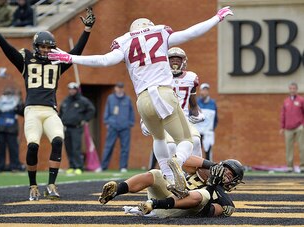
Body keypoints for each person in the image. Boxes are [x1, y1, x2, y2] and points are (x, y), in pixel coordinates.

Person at [48, 6, 233, 189]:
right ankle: (177, 162)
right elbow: (190, 33)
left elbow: (104, 60)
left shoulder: (125, 41)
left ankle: (169, 179)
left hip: (143, 100)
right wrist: (216, 18)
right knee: (186, 140)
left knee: (159, 139)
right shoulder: (159, 33)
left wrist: (71, 58)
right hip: (163, 93)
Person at [0, 7, 95, 200]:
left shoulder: (58, 62)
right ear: (36, 46)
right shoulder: (25, 59)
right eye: (42, 46)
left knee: (58, 140)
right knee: (33, 145)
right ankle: (33, 185)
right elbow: (7, 49)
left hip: (50, 111)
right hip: (32, 110)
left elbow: (76, 53)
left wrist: (87, 30)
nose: (45, 50)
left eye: (49, 47)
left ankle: (51, 185)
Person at [98, 156, 244, 218]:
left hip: (176, 210)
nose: (225, 175)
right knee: (156, 174)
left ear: (233, 182)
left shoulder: (225, 201)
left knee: (203, 195)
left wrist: (211, 186)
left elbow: (206, 212)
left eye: (230, 176)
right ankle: (116, 190)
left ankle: (153, 204)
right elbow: (184, 159)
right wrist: (211, 166)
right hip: (163, 200)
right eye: (224, 170)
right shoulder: (201, 172)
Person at [146, 47, 204, 169]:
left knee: (196, 141)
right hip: (164, 120)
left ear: (184, 61)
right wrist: (144, 121)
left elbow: (193, 104)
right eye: (172, 59)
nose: (175, 62)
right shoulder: (158, 77)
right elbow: (148, 101)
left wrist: (198, 114)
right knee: (171, 146)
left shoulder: (191, 78)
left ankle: (197, 172)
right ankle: (172, 174)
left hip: (183, 119)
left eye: (178, 59)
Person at [59, 82, 95, 175]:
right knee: (68, 148)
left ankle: (79, 167)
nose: (71, 91)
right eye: (70, 89)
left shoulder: (82, 101)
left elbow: (91, 110)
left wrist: (85, 119)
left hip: (76, 127)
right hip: (66, 128)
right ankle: (72, 166)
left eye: (73, 89)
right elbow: (61, 113)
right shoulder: (66, 100)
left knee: (76, 148)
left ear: (76, 90)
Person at [98, 82, 135, 172]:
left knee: (125, 148)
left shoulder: (127, 99)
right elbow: (107, 110)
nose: (119, 89)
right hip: (113, 126)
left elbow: (131, 112)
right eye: (118, 88)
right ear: (115, 88)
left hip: (125, 127)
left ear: (123, 88)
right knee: (108, 146)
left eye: (121, 88)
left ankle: (123, 167)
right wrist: (107, 121)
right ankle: (103, 166)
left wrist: (130, 123)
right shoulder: (110, 98)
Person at [0, 86, 25, 172]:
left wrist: (20, 100)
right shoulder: (0, 102)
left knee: (13, 148)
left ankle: (15, 166)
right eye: (6, 93)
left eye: (9, 94)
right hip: (0, 128)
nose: (7, 95)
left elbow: (22, 112)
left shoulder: (15, 102)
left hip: (12, 128)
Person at [280, 82, 304, 173]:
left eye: (294, 88)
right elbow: (283, 114)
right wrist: (282, 127)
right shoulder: (286, 101)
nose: (292, 90)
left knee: (302, 147)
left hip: (299, 127)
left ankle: (302, 166)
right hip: (288, 128)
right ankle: (290, 167)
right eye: (291, 88)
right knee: (289, 148)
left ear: (296, 90)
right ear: (289, 90)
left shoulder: (301, 100)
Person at [196, 83, 218, 161]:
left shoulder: (212, 103)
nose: (204, 92)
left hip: (208, 132)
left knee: (208, 152)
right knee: (196, 151)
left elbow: (215, 119)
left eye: (206, 90)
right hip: (197, 131)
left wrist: (210, 129)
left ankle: (208, 170)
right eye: (203, 90)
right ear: (200, 91)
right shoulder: (196, 102)